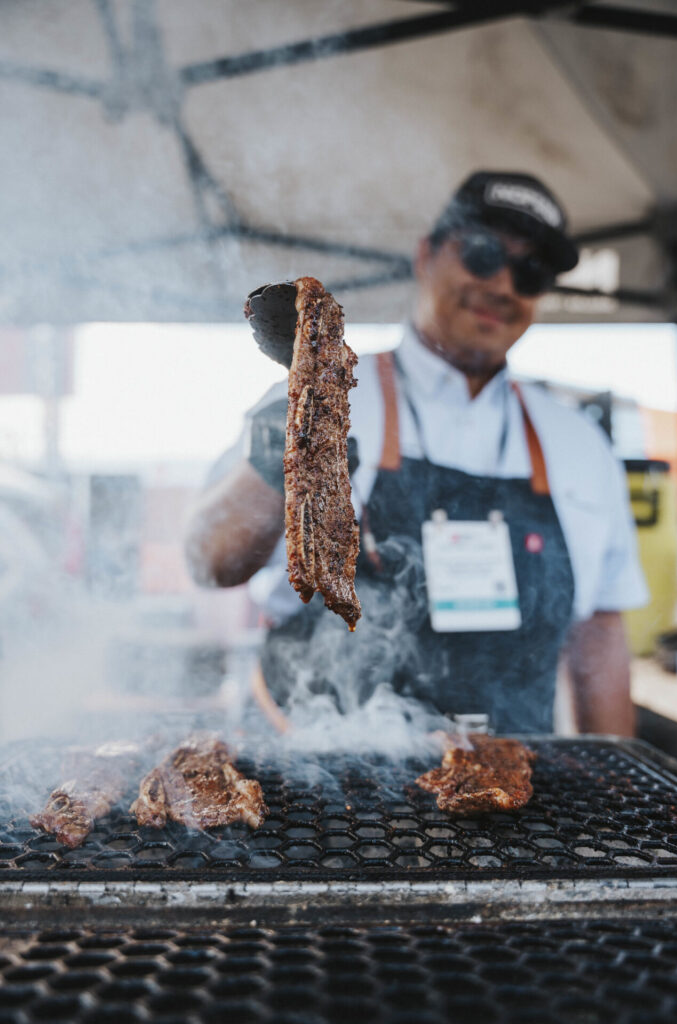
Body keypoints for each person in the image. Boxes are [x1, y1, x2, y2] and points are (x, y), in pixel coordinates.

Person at [186, 170, 647, 736]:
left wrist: (607, 792)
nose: (503, 285)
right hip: (321, 785)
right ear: (427, 254)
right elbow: (210, 562)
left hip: (513, 796)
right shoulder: (320, 395)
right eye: (481, 254)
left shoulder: (580, 445)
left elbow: (599, 631)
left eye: (530, 272)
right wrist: (290, 439)